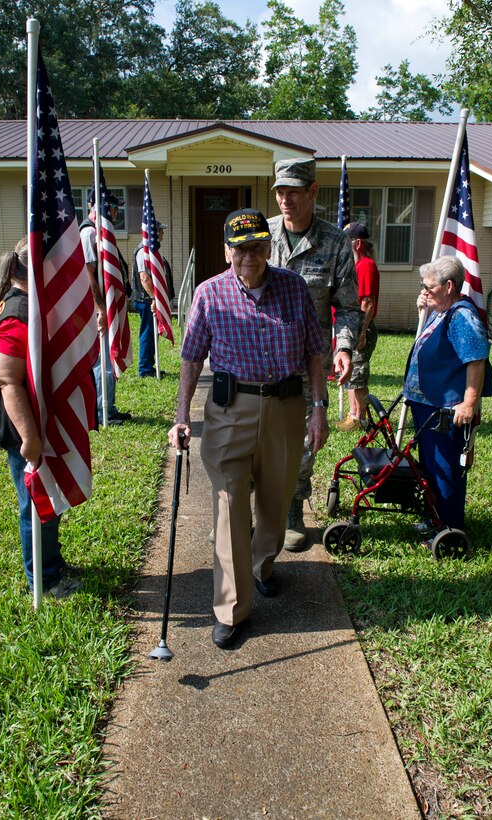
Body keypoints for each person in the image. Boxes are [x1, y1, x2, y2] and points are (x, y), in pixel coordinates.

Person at [168, 208, 329, 649]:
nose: (249, 257)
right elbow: (191, 358)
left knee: (276, 505)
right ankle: (231, 607)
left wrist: (318, 407)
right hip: (228, 411)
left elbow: (315, 351)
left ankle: (260, 564)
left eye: (257, 248)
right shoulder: (209, 294)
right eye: (240, 249)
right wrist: (182, 416)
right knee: (229, 506)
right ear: (227, 251)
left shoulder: (294, 289)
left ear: (269, 248)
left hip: (285, 409)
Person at [0, 239, 82, 597]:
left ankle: (51, 560)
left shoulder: (25, 302)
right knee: (36, 503)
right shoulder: (19, 310)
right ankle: (44, 578)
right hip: (21, 426)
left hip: (34, 421)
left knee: (47, 499)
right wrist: (30, 438)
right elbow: (6, 378)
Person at [268, 157, 360, 550]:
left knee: (307, 441)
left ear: (313, 192)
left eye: (293, 191)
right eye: (279, 192)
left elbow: (350, 306)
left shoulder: (335, 243)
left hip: (312, 364)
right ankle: (255, 512)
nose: (285, 199)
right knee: (260, 439)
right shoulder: (261, 233)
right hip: (263, 362)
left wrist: (343, 347)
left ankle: (292, 508)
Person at [403, 256, 492, 540]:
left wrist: (468, 402)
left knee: (444, 469)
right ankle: (434, 518)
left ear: (450, 286)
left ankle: (449, 527)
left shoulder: (462, 316)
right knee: (428, 466)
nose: (424, 291)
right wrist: (426, 308)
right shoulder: (442, 309)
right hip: (426, 403)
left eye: (429, 287)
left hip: (445, 407)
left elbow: (476, 361)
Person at [80, 196, 131, 425]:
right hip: (97, 310)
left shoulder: (99, 233)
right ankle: (103, 412)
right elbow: (88, 275)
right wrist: (101, 308)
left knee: (108, 360)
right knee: (104, 361)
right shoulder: (89, 233)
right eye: (113, 207)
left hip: (104, 308)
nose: (116, 212)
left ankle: (108, 406)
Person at [336, 221, 380, 432]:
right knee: (352, 374)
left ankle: (361, 419)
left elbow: (368, 301)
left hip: (362, 328)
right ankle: (353, 415)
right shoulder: (355, 265)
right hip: (354, 328)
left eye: (347, 242)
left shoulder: (366, 266)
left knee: (359, 377)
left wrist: (361, 333)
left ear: (358, 244)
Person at [132, 220, 174, 377]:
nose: (162, 233)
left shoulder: (152, 250)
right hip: (146, 301)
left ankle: (149, 366)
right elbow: (144, 278)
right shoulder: (143, 251)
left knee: (151, 334)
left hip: (150, 300)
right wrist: (154, 298)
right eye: (160, 230)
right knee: (147, 334)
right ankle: (144, 369)